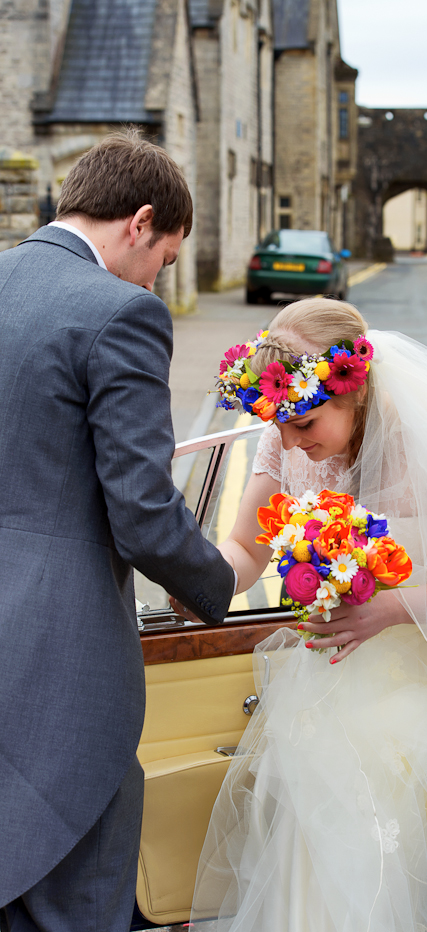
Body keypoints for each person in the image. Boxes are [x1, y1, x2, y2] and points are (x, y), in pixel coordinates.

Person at [188, 298, 427, 932]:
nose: (293, 442)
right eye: (282, 426)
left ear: (354, 389)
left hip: (413, 685)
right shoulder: (286, 433)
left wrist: (392, 609)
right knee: (305, 845)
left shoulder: (420, 443)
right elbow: (244, 547)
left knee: (368, 855)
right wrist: (195, 578)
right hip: (319, 682)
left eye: (308, 423)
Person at [0, 131, 235, 932]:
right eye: (165, 261)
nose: (157, 280)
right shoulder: (119, 313)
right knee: (77, 902)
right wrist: (219, 583)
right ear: (140, 224)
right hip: (62, 671)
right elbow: (142, 511)